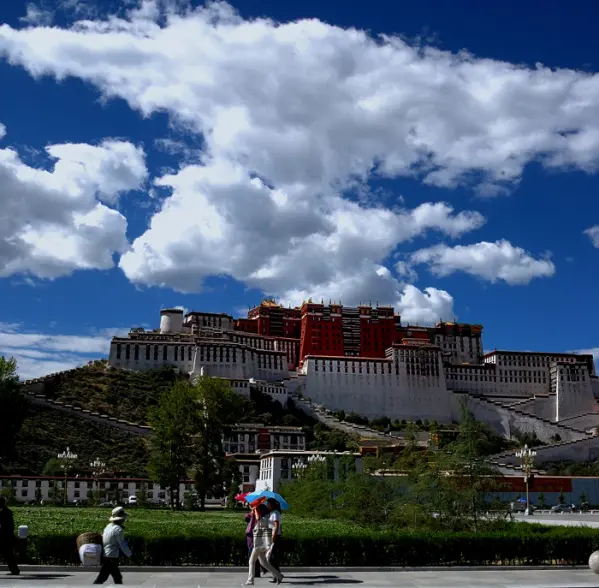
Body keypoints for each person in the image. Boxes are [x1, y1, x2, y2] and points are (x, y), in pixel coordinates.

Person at [245, 503, 283, 586]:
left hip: (259, 543)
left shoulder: (264, 518)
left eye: (258, 510)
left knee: (251, 561)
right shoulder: (266, 517)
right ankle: (279, 575)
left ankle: (250, 580)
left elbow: (258, 518)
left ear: (261, 511)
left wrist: (255, 509)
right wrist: (254, 510)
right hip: (260, 543)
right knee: (263, 563)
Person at [93, 506, 132, 585]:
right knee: (114, 577)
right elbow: (122, 544)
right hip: (112, 556)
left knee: (105, 576)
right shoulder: (118, 529)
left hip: (106, 555)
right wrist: (129, 554)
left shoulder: (108, 526)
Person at [245, 504, 269, 579]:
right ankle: (259, 571)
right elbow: (247, 518)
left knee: (253, 556)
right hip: (250, 535)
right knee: (256, 556)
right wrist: (252, 512)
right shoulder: (253, 512)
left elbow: (259, 519)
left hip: (256, 536)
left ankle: (256, 573)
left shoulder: (262, 511)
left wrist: (256, 510)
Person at [0, 497, 20, 576]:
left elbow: (8, 526)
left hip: (6, 537)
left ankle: (15, 570)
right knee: (9, 554)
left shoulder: (7, 512)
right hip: (5, 537)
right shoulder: (6, 512)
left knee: (9, 554)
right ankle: (14, 570)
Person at [265, 498, 282, 581]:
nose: (267, 505)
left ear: (272, 504)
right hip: (271, 535)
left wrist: (274, 536)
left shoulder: (275, 513)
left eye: (268, 503)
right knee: (272, 557)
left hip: (275, 536)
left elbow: (276, 525)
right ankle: (276, 575)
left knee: (272, 557)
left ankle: (277, 575)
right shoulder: (272, 513)